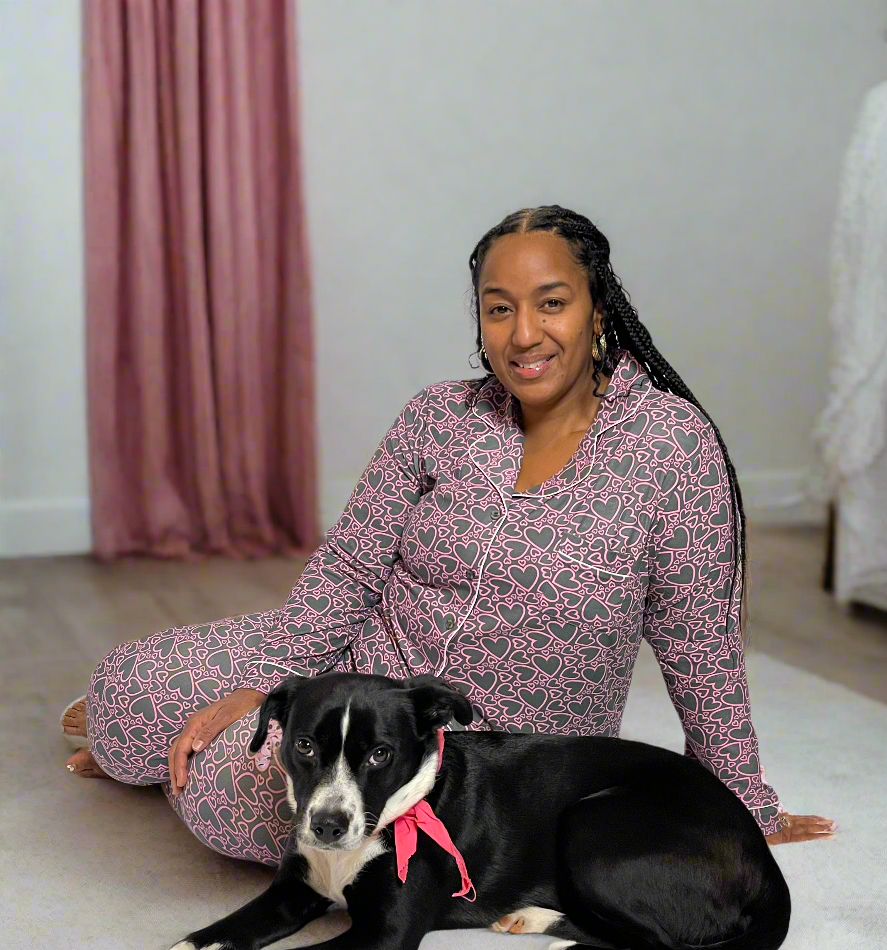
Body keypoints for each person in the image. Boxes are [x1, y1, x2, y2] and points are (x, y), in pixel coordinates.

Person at [63, 205, 835, 863]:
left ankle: (172, 759)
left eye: (551, 303)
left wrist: (742, 799)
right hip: (359, 670)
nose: (523, 334)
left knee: (241, 790)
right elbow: (345, 574)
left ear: (599, 307)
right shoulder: (438, 415)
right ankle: (145, 734)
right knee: (126, 685)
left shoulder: (670, 446)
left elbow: (698, 640)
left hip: (494, 757)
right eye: (499, 308)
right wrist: (272, 690)